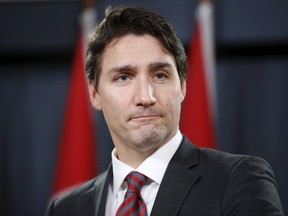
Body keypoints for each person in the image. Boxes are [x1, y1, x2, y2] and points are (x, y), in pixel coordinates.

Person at [46, 6, 283, 216]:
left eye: (160, 75)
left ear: (182, 86)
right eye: (123, 77)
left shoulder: (239, 181)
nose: (145, 97)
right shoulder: (66, 208)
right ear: (94, 94)